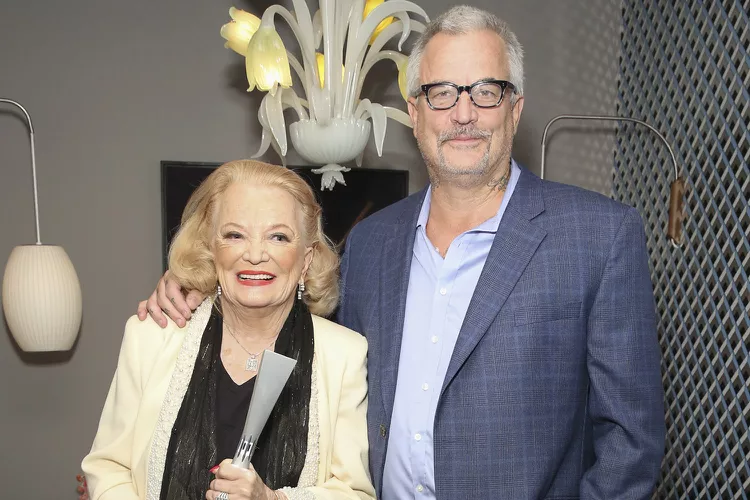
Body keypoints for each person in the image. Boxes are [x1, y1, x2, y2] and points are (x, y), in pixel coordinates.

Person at [139, 5, 665, 499]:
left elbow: (631, 441)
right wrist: (197, 288)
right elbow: (300, 337)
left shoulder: (598, 235)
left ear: (515, 108)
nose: (463, 113)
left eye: (486, 91)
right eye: (440, 92)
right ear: (414, 112)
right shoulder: (372, 242)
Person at [84, 159, 376, 500]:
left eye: (278, 236)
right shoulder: (151, 335)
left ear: (306, 259)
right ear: (211, 247)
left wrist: (271, 499)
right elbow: (108, 468)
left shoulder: (344, 354)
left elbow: (354, 493)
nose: (254, 254)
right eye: (235, 235)